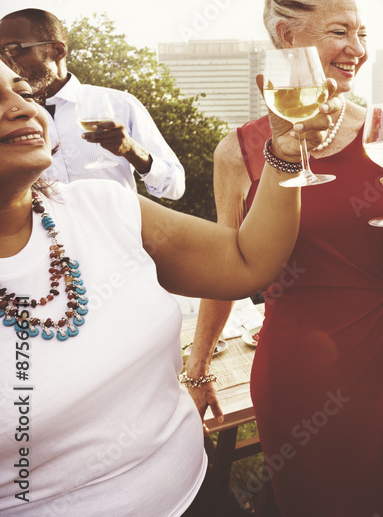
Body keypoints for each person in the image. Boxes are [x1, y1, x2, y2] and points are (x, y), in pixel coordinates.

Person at [0, 57, 329, 514]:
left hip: (201, 495)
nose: (19, 108)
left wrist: (287, 154)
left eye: (22, 92)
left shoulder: (103, 206)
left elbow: (246, 262)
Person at [184, 0, 383, 516]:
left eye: (362, 32)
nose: (357, 48)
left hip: (373, 355)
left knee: (374, 501)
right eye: (340, 31)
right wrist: (195, 370)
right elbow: (224, 272)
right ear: (286, 39)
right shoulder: (238, 152)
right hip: (291, 362)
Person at [0, 8, 185, 200]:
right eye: (0, 53)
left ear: (57, 51)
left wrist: (131, 150)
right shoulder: (7, 117)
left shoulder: (120, 104)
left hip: (114, 230)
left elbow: (174, 187)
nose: (5, 60)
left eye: (14, 49)